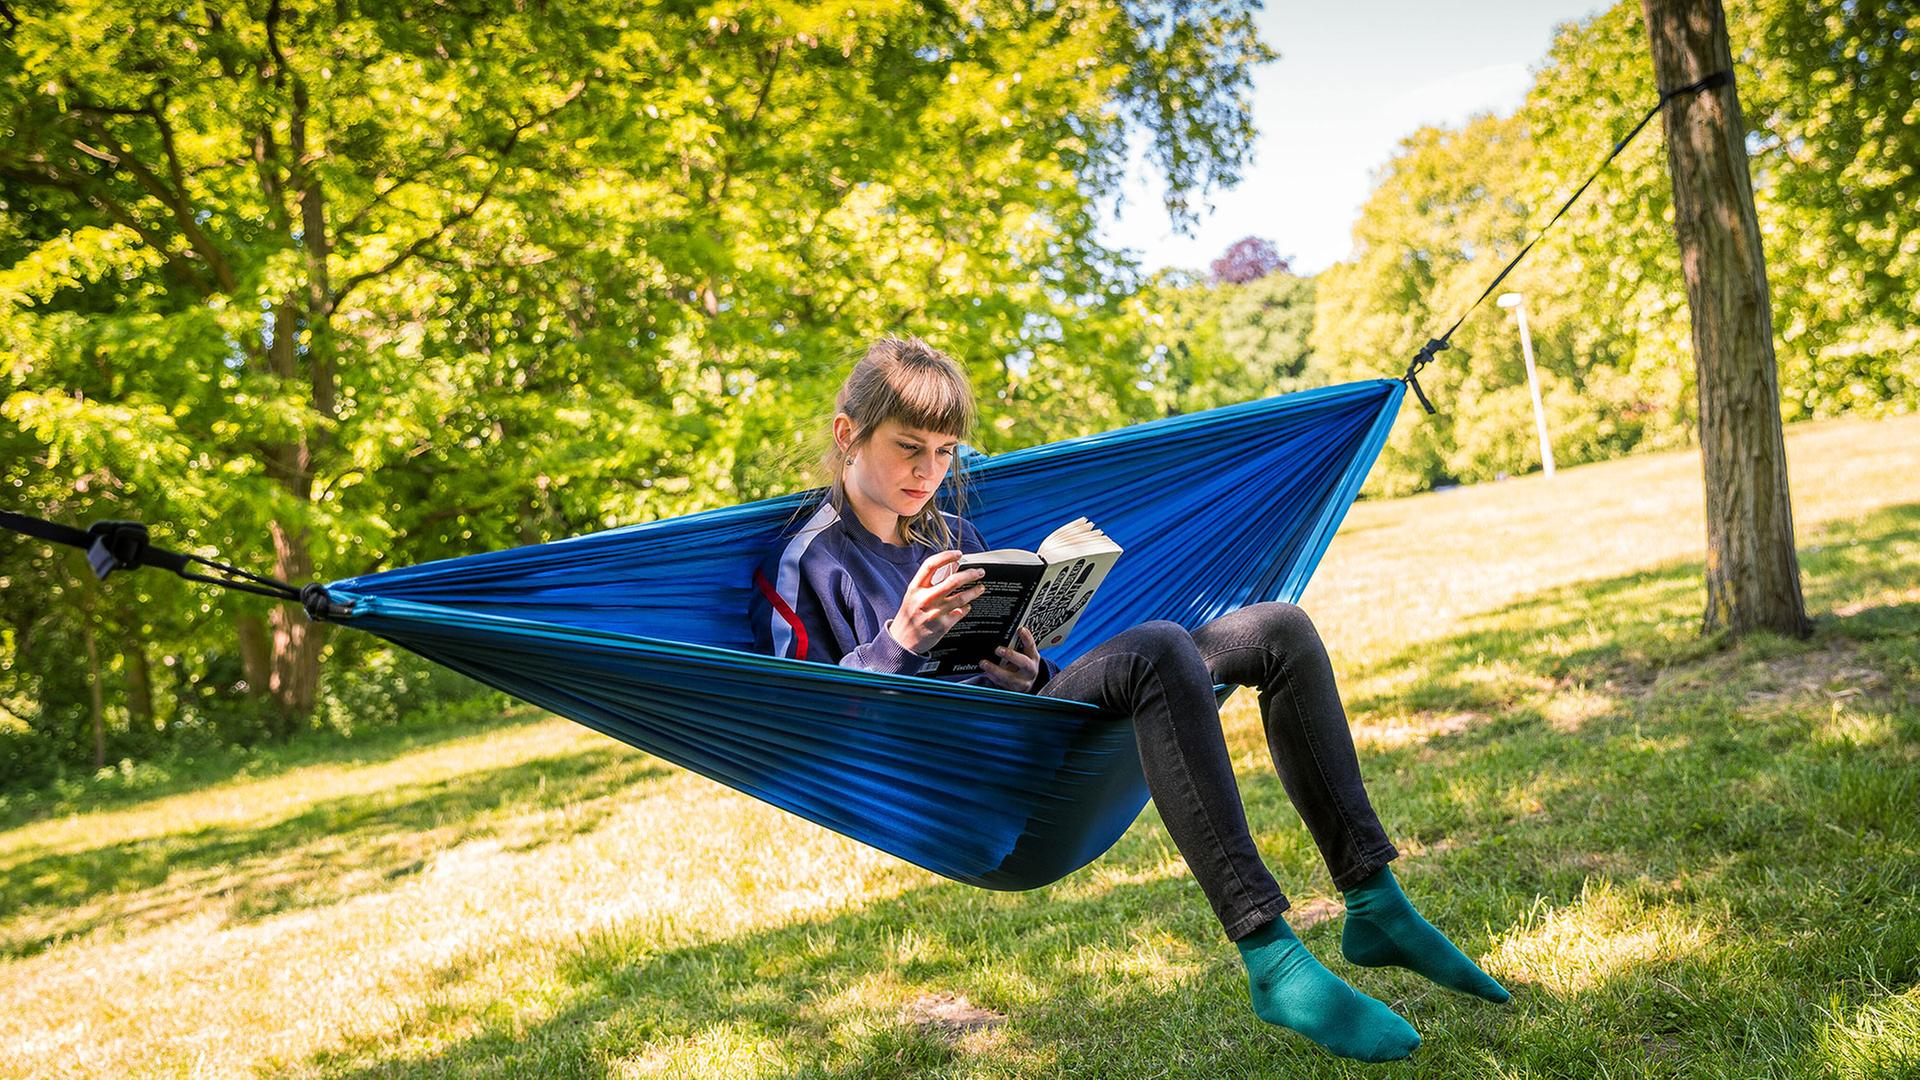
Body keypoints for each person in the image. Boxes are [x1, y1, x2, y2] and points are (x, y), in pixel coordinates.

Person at [748, 336, 1509, 1063]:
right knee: (1158, 648)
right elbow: (810, 729)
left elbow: (992, 664)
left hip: (1030, 727)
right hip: (970, 787)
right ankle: (1270, 955)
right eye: (908, 448)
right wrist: (903, 637)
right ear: (850, 434)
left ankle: (1375, 901)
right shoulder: (807, 559)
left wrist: (1030, 671)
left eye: (944, 453)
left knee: (1278, 630)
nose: (928, 472)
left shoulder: (945, 533)